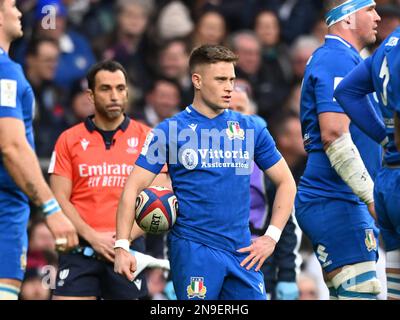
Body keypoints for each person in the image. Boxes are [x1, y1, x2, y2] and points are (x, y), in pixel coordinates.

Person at [114, 44, 297, 300]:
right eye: (221, 79)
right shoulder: (169, 131)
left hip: (243, 251)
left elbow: (287, 182)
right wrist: (122, 245)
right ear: (197, 81)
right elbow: (132, 187)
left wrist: (271, 237)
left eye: (232, 79)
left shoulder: (250, 127)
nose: (229, 87)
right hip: (193, 250)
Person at [48, 60, 170, 300]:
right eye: (106, 89)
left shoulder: (149, 137)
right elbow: (59, 198)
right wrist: (93, 237)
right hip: (79, 248)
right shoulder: (67, 139)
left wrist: (122, 241)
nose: (115, 96)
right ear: (91, 95)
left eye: (120, 88)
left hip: (127, 250)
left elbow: (161, 196)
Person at [295, 0, 382, 300]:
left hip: (339, 198)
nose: (378, 16)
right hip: (335, 198)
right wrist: (371, 197)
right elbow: (333, 135)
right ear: (347, 18)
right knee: (363, 293)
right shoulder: (336, 59)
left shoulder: (344, 59)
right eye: (369, 9)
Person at [0, 0, 77, 300]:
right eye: (11, 5)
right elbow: (11, 145)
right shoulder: (4, 72)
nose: (20, 12)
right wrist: (51, 209)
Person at [334, 26, 400, 300]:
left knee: (396, 288)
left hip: (388, 180)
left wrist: (385, 140)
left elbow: (347, 91)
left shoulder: (389, 44)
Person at [229, 87, 301, 300]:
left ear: (251, 115)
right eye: (228, 108)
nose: (234, 116)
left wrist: (287, 275)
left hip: (259, 263)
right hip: (210, 260)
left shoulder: (267, 163)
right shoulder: (200, 156)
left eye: (240, 109)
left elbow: (285, 221)